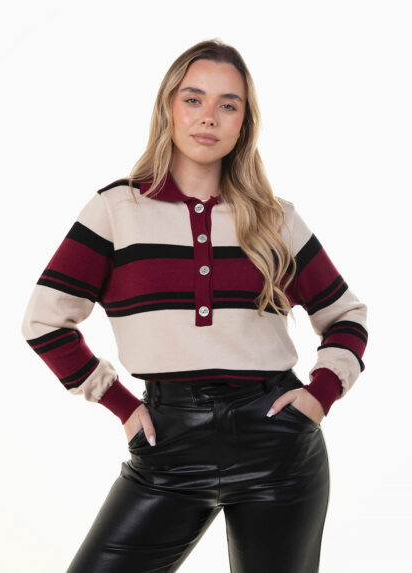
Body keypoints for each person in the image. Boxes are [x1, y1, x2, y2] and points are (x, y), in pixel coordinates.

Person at [21, 38, 368, 573]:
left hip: (278, 445)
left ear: (244, 123)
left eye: (228, 104)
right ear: (169, 107)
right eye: (193, 99)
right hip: (168, 444)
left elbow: (345, 315)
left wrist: (319, 396)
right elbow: (45, 321)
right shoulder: (117, 209)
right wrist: (121, 405)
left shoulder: (276, 219)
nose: (209, 117)